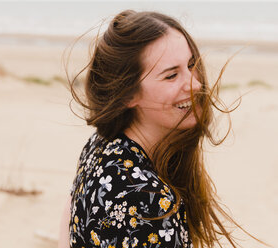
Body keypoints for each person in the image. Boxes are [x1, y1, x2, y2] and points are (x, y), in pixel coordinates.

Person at [58, 10, 261, 248]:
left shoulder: (102, 143)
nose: (195, 84)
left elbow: (68, 216)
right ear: (128, 94)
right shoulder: (148, 201)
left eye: (191, 65)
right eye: (171, 76)